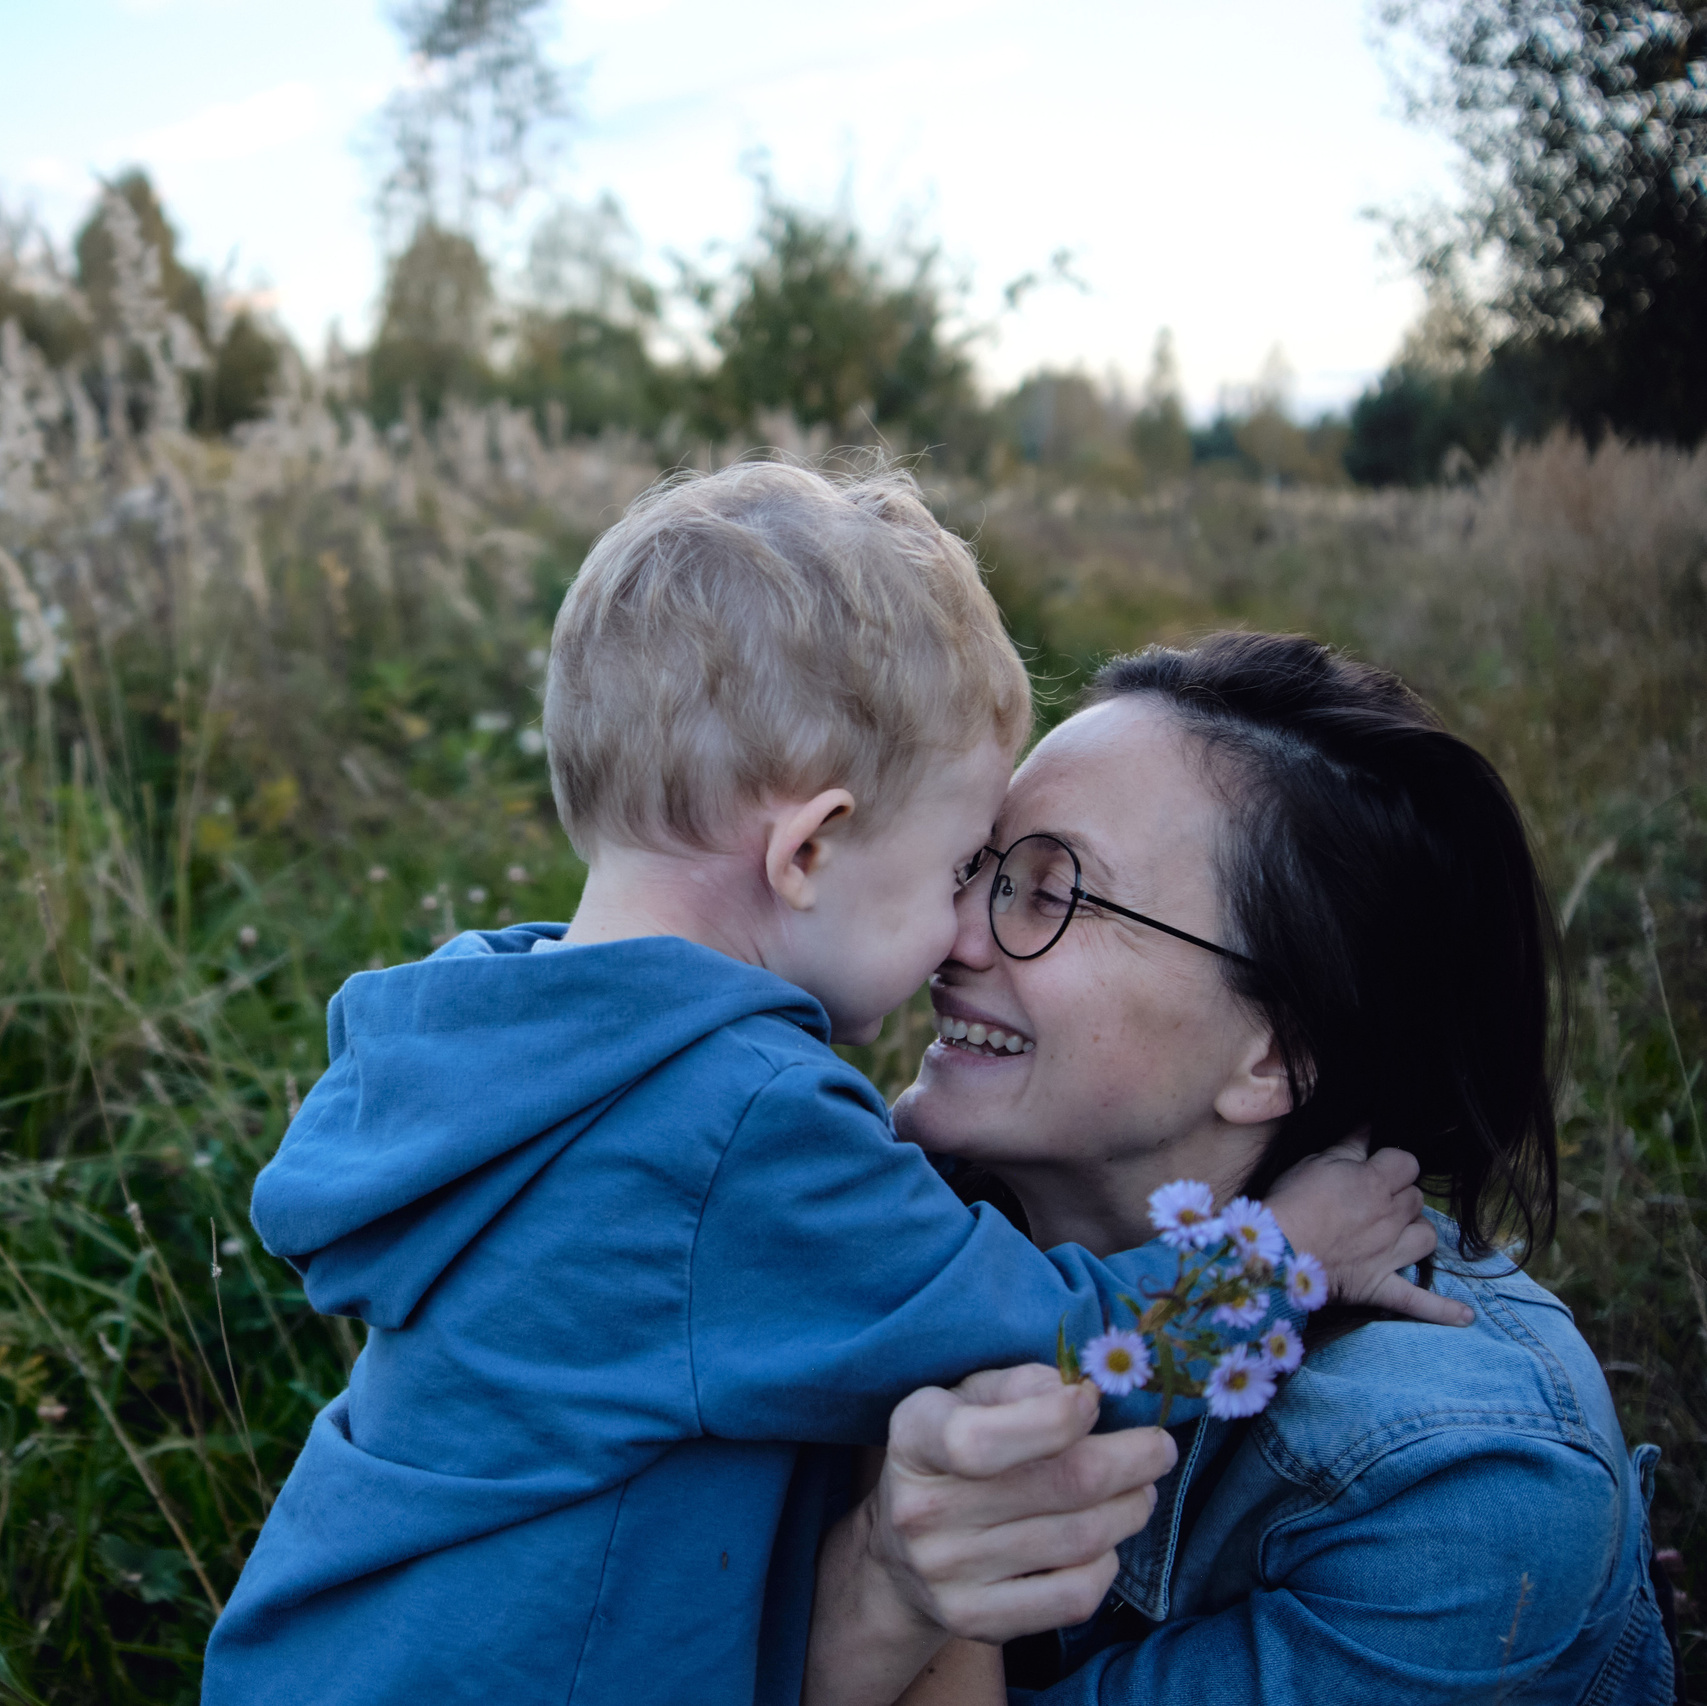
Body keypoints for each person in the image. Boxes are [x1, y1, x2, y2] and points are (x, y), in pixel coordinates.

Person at [200, 470, 1453, 1706]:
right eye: (962, 869)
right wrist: (1280, 1256)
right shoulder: (735, 1123)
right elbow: (1053, 1345)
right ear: (809, 848)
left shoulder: (499, 1035)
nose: (965, 931)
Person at [807, 631, 1676, 1706]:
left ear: (1275, 1058)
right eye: (975, 865)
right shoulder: (852, 1207)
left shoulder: (1458, 1482)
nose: (950, 937)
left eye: (1051, 892)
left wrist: (885, 1591)